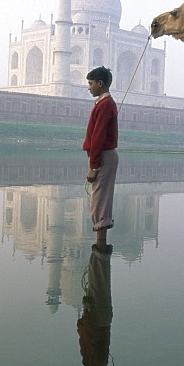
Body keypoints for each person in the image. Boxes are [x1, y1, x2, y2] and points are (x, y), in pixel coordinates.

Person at [82, 66, 118, 247]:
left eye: (90, 83)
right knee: (101, 198)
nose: (89, 87)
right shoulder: (104, 104)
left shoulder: (105, 105)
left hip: (103, 157)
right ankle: (100, 247)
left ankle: (100, 245)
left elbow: (98, 138)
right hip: (103, 156)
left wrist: (93, 167)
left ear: (100, 83)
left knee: (100, 200)